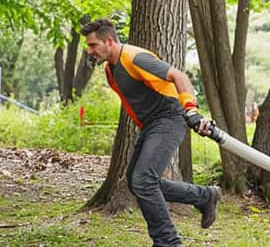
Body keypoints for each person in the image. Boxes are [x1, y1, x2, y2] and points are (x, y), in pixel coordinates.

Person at [82, 18, 220, 247]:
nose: (90, 51)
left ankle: (168, 242)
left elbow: (179, 77)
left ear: (109, 41)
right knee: (137, 182)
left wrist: (191, 109)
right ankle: (203, 196)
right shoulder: (110, 70)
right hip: (151, 124)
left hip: (170, 117)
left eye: (93, 45)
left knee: (144, 180)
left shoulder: (135, 57)